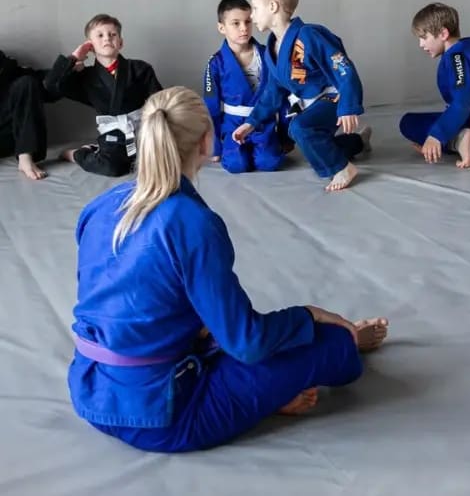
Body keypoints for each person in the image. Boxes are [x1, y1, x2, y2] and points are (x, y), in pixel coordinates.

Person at [68, 86, 389, 452]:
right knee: (332, 343)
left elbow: (117, 298)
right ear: (207, 141)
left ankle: (267, 389)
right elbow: (247, 342)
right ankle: (340, 346)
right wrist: (310, 315)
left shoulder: (100, 206)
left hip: (90, 392)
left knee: (223, 331)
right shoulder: (192, 222)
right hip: (163, 416)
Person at [232, 0, 371, 192]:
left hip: (335, 96)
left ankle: (343, 168)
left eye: (255, 8)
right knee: (309, 141)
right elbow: (273, 91)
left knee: (301, 128)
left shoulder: (310, 35)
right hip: (310, 103)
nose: (252, 15)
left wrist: (348, 106)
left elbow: (343, 68)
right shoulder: (272, 48)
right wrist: (251, 123)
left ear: (273, 7)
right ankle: (357, 142)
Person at [45, 14, 162, 176]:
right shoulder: (85, 77)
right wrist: (73, 58)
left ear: (120, 42)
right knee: (111, 167)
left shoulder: (140, 68)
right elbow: (51, 85)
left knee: (160, 162)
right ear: (90, 46)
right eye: (100, 35)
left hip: (143, 129)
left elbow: (159, 101)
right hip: (113, 134)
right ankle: (77, 154)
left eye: (112, 34)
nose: (107, 38)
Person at [399, 3, 470, 169]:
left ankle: (458, 141)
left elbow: (461, 102)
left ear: (443, 34)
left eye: (424, 37)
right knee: (428, 120)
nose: (421, 44)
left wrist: (436, 136)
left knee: (408, 123)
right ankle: (457, 138)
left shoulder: (456, 58)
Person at [203, 0, 289, 173]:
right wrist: (214, 147)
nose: (244, 28)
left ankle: (268, 146)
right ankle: (231, 148)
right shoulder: (216, 63)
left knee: (269, 162)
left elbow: (281, 96)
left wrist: (285, 136)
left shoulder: (268, 55)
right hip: (233, 124)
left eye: (248, 21)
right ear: (221, 27)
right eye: (235, 23)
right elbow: (211, 107)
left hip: (263, 123)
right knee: (236, 164)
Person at [0, 49, 54, 180]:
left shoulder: (7, 66)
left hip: (9, 138)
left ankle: (25, 157)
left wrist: (69, 65)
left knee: (27, 83)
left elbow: (43, 86)